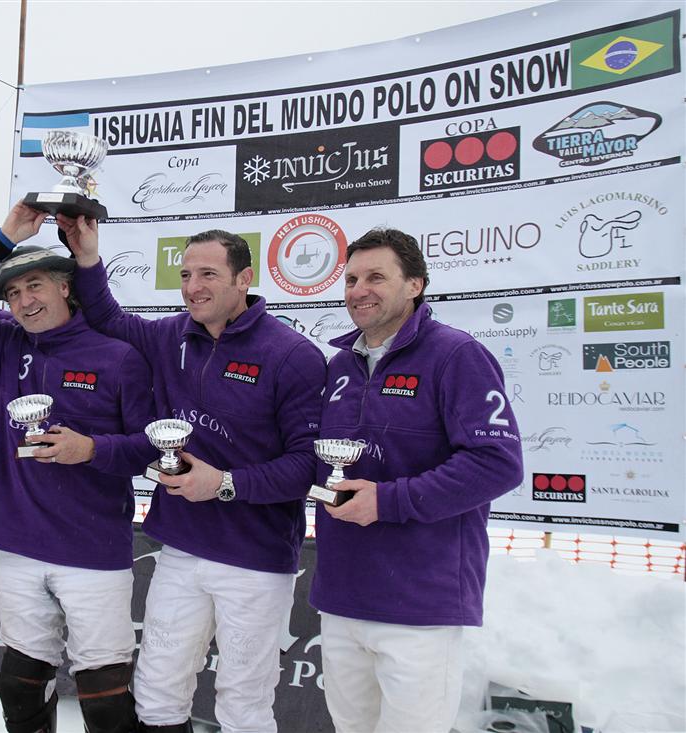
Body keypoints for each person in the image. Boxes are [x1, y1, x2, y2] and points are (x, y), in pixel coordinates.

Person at [58, 214, 326, 732]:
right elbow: (107, 317)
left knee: (243, 703)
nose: (193, 287)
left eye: (208, 274)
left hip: (254, 560)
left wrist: (223, 484)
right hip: (181, 548)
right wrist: (87, 256)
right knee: (156, 692)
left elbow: (307, 467)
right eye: (185, 275)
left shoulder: (292, 355)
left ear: (244, 279)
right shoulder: (171, 335)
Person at [0, 202, 158, 733]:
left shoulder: (118, 355)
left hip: (92, 551)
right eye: (12, 293)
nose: (24, 301)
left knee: (105, 699)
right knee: (20, 687)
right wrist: (7, 235)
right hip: (18, 545)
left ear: (64, 287)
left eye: (34, 285)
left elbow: (147, 448)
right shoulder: (4, 344)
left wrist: (91, 449)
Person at [309, 228, 524, 733]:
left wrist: (388, 501)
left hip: (420, 604)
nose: (359, 290)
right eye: (351, 279)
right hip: (341, 596)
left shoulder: (456, 355)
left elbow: (497, 462)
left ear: (415, 285)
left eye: (376, 277)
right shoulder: (340, 366)